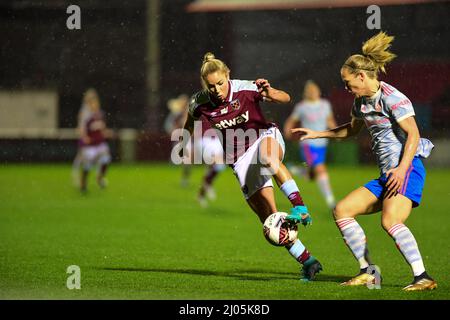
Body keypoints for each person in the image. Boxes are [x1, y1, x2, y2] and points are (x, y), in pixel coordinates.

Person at [289, 32, 436, 291]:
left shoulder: (392, 98)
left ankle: (422, 277)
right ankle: (368, 273)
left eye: (348, 82)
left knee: (390, 221)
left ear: (362, 76)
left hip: (407, 169)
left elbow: (413, 134)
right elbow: (352, 130)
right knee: (342, 210)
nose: (346, 88)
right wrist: (318, 133)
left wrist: (402, 169)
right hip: (387, 175)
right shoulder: (361, 102)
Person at [180, 52, 322, 281]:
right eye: (211, 85)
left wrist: (270, 93)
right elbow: (189, 123)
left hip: (263, 137)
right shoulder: (200, 102)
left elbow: (286, 98)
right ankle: (308, 261)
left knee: (268, 157)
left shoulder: (245, 88)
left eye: (220, 83)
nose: (216, 89)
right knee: (270, 221)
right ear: (204, 84)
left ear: (228, 76)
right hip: (239, 160)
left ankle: (300, 206)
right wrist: (185, 142)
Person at [284, 80, 337, 210]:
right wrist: (287, 130)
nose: (313, 93)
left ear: (318, 91)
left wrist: (337, 131)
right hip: (308, 144)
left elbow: (330, 121)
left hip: (322, 144)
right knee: (320, 169)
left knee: (312, 176)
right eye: (310, 91)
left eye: (315, 90)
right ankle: (331, 202)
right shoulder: (302, 107)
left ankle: (294, 169)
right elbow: (291, 120)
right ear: (306, 93)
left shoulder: (325, 105)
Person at [76, 88, 112, 193]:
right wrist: (84, 137)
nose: (94, 104)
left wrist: (107, 132)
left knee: (106, 159)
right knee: (87, 166)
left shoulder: (100, 114)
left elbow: (102, 129)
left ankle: (100, 177)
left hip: (99, 143)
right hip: (90, 145)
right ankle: (83, 184)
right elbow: (81, 129)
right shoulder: (85, 115)